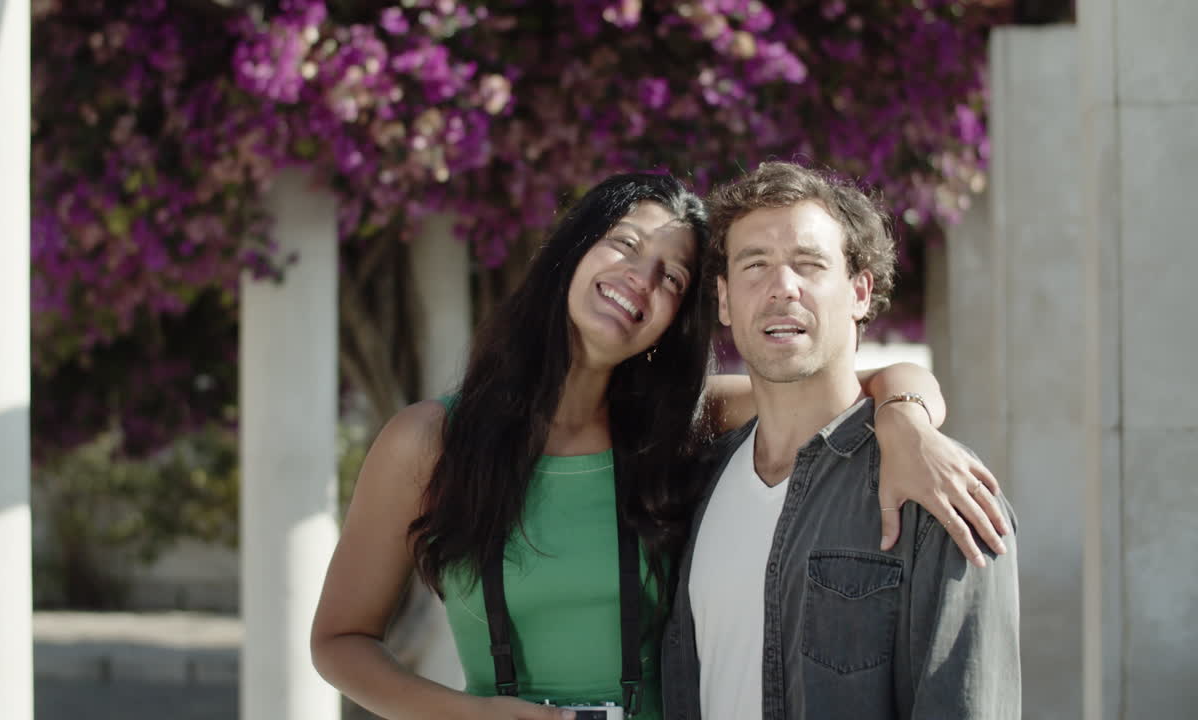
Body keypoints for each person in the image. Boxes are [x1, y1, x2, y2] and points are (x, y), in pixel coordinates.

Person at [310, 172, 1008, 720]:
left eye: (671, 277)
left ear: (683, 313)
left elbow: (861, 381)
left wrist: (908, 422)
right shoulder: (430, 443)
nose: (639, 280)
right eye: (623, 244)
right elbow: (339, 641)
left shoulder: (685, 426)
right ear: (570, 250)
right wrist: (462, 716)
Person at [661, 161, 1021, 719]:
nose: (783, 287)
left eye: (809, 264)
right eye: (755, 265)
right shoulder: (698, 475)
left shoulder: (938, 490)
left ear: (859, 292)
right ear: (726, 301)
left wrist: (906, 415)